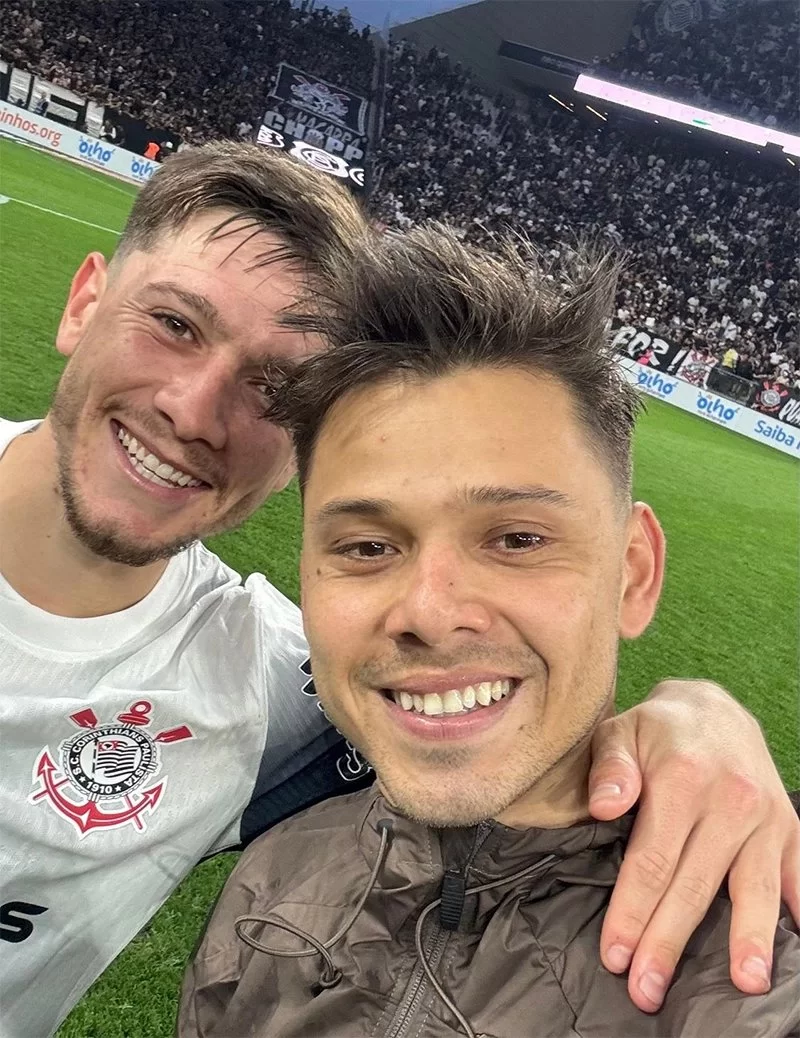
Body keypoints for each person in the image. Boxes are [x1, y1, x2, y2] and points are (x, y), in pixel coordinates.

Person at [1, 144, 798, 1037]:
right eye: (175, 324)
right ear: (83, 301)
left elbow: (504, 728)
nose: (192, 409)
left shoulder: (269, 686)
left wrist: (694, 725)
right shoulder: (269, 890)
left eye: (272, 385)